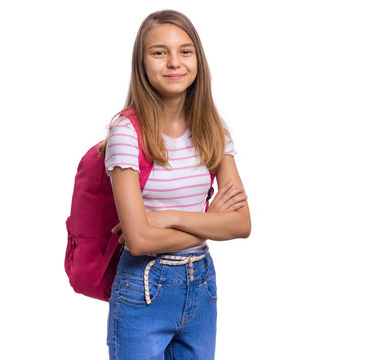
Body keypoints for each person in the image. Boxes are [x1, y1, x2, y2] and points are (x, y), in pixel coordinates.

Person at [101, 9, 251, 360]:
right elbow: (138, 241)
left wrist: (165, 216)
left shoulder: (213, 129)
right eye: (159, 52)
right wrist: (210, 222)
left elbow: (241, 224)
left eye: (185, 51)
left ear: (197, 59)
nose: (174, 62)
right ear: (142, 63)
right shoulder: (126, 133)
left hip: (202, 286)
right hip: (144, 289)